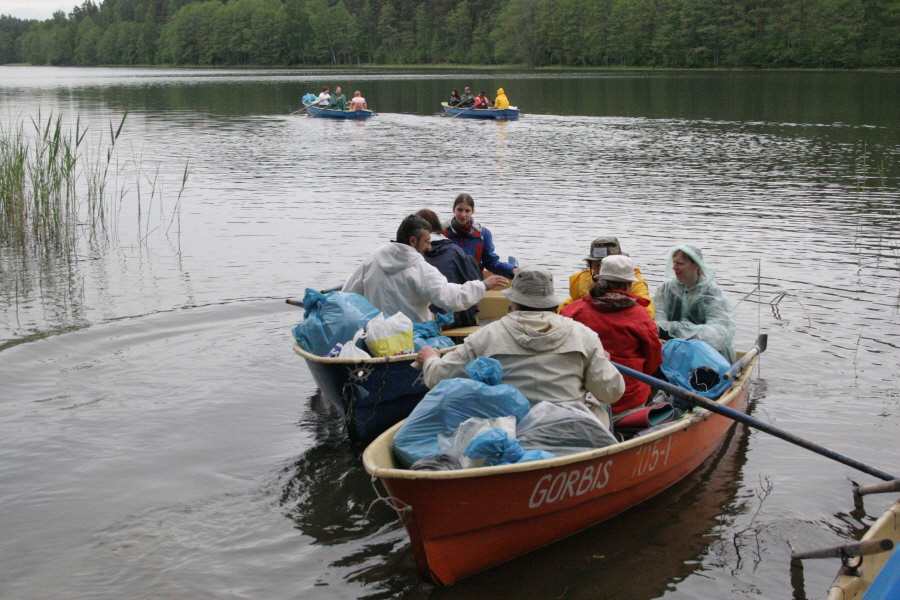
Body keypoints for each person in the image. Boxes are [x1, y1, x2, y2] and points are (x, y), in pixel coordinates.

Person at [416, 266, 624, 425]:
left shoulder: (487, 335)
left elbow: (439, 377)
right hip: (569, 425)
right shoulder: (584, 335)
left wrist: (430, 359)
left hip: (509, 431)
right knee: (601, 405)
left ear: (514, 302)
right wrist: (604, 362)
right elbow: (611, 392)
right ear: (552, 302)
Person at [343, 215, 508, 323]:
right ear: (413, 241)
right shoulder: (420, 269)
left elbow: (348, 295)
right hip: (410, 338)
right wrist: (483, 285)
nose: (429, 247)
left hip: (375, 336)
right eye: (427, 241)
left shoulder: (371, 261)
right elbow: (451, 298)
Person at [561, 255, 663, 414]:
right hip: (628, 397)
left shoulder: (573, 310)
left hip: (579, 395)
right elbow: (653, 359)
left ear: (598, 280)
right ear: (629, 285)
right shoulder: (640, 316)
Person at [654, 244, 736, 362]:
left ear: (696, 265)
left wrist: (677, 332)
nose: (674, 267)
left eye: (680, 263)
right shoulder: (665, 289)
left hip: (707, 354)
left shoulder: (712, 293)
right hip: (669, 347)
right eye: (674, 262)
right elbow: (657, 322)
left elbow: (719, 332)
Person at [416, 209, 484, 327]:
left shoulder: (413, 255)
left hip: (424, 319)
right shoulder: (456, 251)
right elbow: (476, 283)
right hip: (457, 318)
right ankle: (474, 318)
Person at [558, 237, 655, 318]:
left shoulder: (633, 280)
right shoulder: (582, 278)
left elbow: (648, 311)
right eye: (599, 265)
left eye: (609, 266)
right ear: (590, 265)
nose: (602, 271)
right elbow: (572, 301)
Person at [443, 193, 518, 279]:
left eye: (467, 211)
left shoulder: (483, 234)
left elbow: (490, 262)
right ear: (453, 209)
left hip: (473, 282)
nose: (463, 215)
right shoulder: (440, 232)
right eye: (459, 210)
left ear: (472, 211)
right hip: (447, 282)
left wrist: (512, 270)